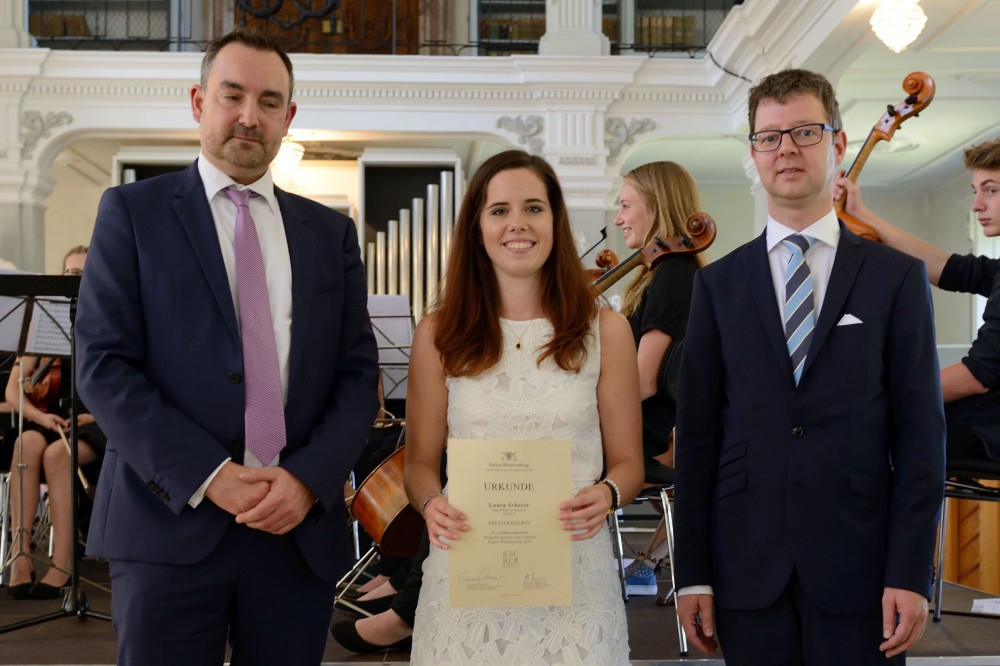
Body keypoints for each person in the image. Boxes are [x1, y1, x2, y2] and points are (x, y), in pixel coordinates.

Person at [74, 29, 379, 665]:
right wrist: (209, 476)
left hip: (295, 530)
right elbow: (103, 365)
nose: (249, 116)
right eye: (232, 95)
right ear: (198, 102)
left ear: (288, 117)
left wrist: (307, 480)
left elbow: (356, 375)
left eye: (269, 102)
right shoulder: (132, 213)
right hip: (168, 523)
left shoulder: (330, 234)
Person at [673, 68, 945, 665]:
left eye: (804, 132)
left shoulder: (895, 278)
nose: (786, 149)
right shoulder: (717, 285)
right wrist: (692, 572)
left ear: (838, 143)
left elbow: (921, 436)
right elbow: (697, 438)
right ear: (754, 153)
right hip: (746, 564)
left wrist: (910, 572)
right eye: (769, 137)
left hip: (863, 567)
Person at [402, 149, 644, 664]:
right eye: (499, 210)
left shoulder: (607, 330)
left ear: (556, 222)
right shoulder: (438, 334)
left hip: (576, 576)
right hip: (467, 575)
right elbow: (419, 464)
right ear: (477, 229)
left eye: (534, 208)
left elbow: (629, 465)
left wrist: (607, 494)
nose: (518, 224)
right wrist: (430, 504)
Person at [834, 136, 1000, 464]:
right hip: (980, 422)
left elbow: (977, 376)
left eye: (991, 190)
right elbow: (946, 268)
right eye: (975, 191)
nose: (977, 205)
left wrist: (884, 394)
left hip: (986, 431)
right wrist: (861, 213)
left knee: (854, 433)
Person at [612, 160, 706, 592]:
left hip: (634, 435)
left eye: (625, 205)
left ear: (656, 206)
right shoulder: (661, 273)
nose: (618, 218)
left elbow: (644, 381)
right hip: (628, 427)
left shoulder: (674, 275)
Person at [4, 246, 105, 600]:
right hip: (50, 419)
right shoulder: (45, 323)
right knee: (25, 444)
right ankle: (20, 556)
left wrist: (93, 415)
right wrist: (40, 416)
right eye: (70, 274)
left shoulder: (107, 320)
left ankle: (63, 562)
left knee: (58, 455)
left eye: (84, 274)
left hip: (96, 423)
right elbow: (14, 390)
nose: (76, 280)